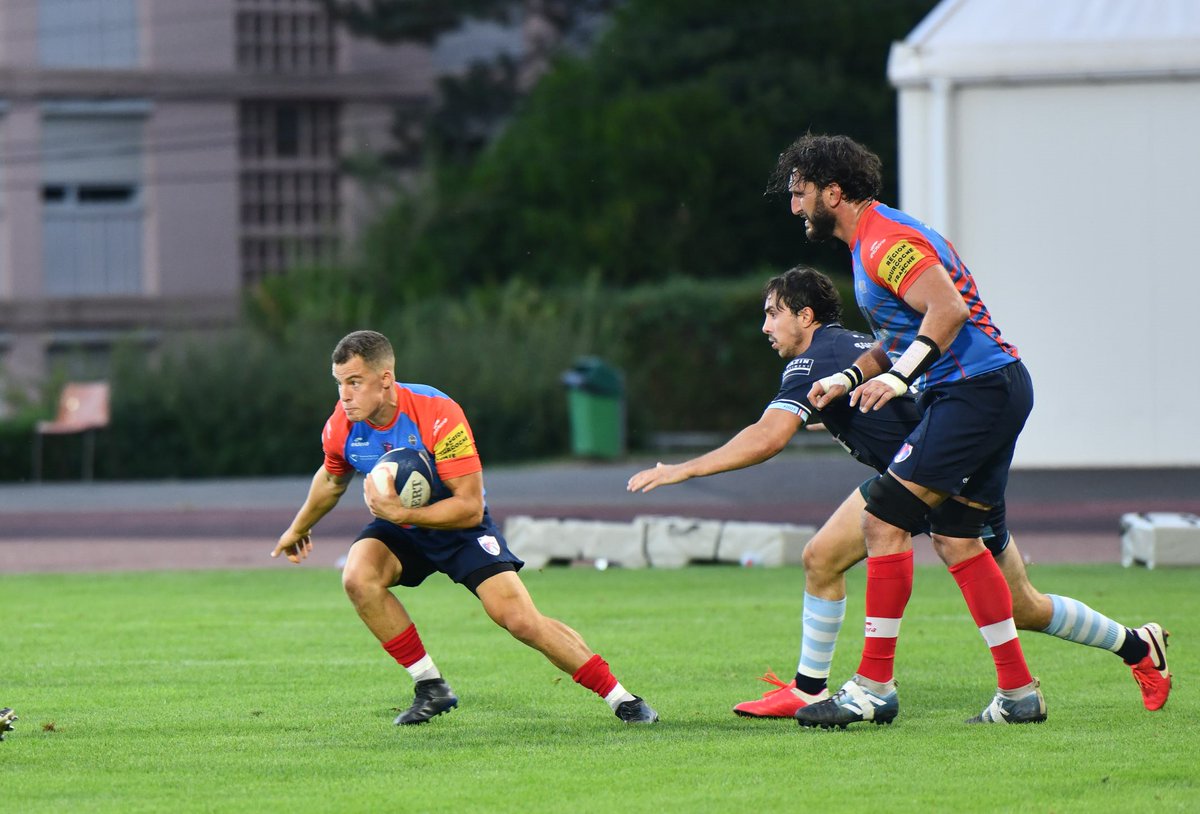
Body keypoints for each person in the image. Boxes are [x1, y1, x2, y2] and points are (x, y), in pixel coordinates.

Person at [627, 267, 1171, 724]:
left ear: (805, 316)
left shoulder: (810, 359)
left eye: (773, 313)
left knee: (902, 547)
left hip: (930, 473)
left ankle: (874, 689)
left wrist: (684, 470)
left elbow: (766, 438)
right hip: (951, 463)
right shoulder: (852, 346)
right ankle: (1133, 646)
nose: (765, 326)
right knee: (1004, 600)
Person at [273, 330, 658, 726]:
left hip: (459, 528)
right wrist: (297, 527)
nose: (345, 396)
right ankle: (430, 686)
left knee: (521, 621)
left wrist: (400, 513)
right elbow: (332, 480)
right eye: (339, 384)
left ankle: (622, 698)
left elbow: (470, 508)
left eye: (354, 382)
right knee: (358, 577)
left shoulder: (437, 412)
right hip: (401, 527)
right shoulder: (342, 425)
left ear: (385, 378)